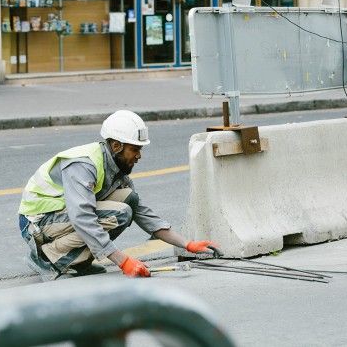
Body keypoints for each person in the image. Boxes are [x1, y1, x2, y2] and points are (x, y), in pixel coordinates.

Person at [18, 110, 221, 282]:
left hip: (59, 218)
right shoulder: (84, 165)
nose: (139, 156)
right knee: (120, 213)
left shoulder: (116, 168)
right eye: (135, 149)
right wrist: (122, 261)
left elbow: (143, 212)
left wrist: (187, 244)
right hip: (37, 223)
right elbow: (83, 218)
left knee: (128, 199)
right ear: (116, 146)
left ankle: (78, 262)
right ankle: (48, 259)